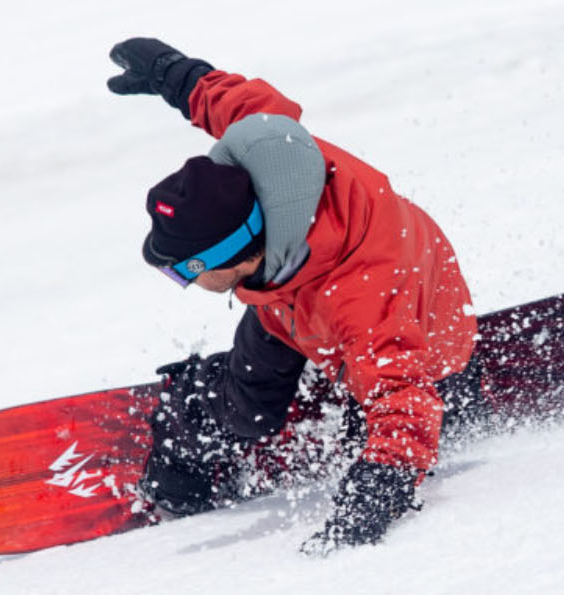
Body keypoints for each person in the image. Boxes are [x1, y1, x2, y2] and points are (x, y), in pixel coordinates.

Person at [107, 37, 478, 555]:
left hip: (401, 317)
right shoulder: (269, 161)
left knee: (387, 427)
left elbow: (401, 396)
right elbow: (240, 105)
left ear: (231, 257)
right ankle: (189, 418)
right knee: (247, 407)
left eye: (183, 275)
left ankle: (432, 386)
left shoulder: (361, 297)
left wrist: (383, 482)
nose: (185, 287)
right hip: (288, 306)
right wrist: (175, 74)